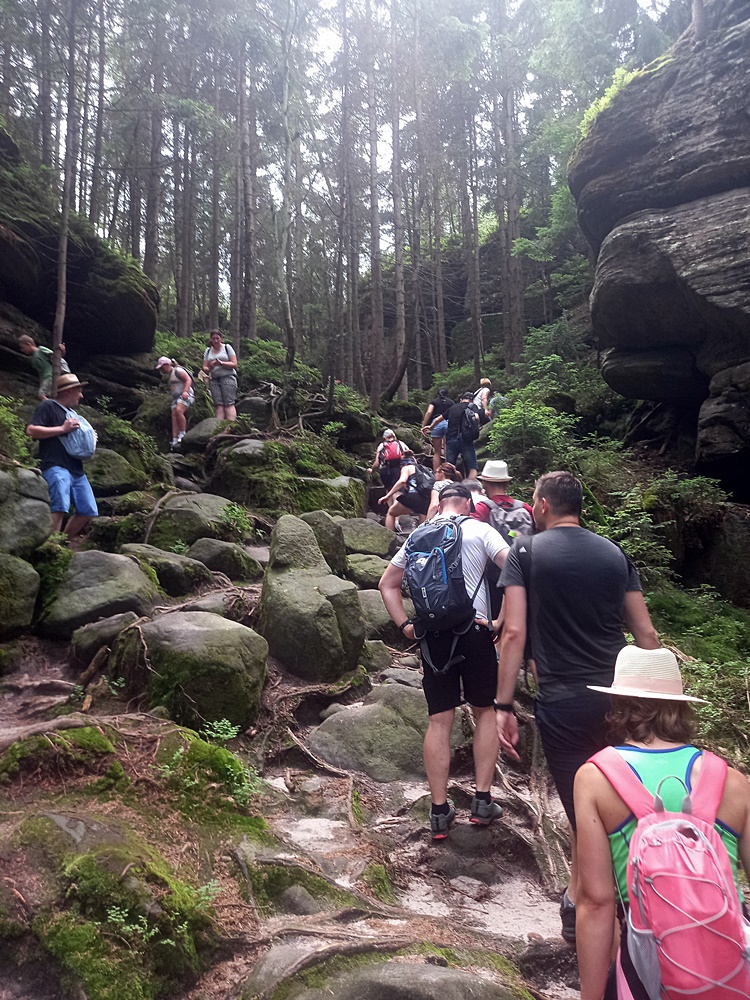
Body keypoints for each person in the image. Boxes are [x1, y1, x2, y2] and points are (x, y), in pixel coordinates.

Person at [494, 470, 660, 944]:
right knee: (624, 803)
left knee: (584, 813)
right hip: (623, 699)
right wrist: (661, 700)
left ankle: (592, 915)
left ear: (543, 505)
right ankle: (595, 902)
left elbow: (513, 632)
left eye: (533, 500)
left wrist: (503, 704)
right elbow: (646, 635)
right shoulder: (614, 553)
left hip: (564, 702)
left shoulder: (526, 551)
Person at [574, 645, 750, 1000]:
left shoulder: (596, 778)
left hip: (647, 967)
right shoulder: (733, 781)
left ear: (618, 704)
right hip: (730, 969)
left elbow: (596, 902)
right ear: (680, 706)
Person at [379, 483, 510, 838]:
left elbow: (387, 584)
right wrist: (502, 620)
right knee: (485, 712)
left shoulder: (418, 535)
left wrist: (405, 626)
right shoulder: (480, 530)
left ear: (440, 505)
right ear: (468, 504)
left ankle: (439, 812)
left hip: (433, 638)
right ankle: (482, 801)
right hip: (475, 631)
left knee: (439, 721)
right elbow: (515, 569)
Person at [25, 372, 98, 540]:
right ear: (68, 391)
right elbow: (31, 431)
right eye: (78, 390)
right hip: (55, 465)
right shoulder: (48, 406)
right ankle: (49, 546)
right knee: (59, 506)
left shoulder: (72, 413)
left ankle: (61, 543)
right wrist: (62, 429)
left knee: (88, 509)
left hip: (76, 470)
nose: (81, 395)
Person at [378, 451, 434, 531]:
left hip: (413, 496)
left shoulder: (407, 468)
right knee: (423, 517)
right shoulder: (424, 469)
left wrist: (388, 495)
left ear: (403, 464)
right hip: (427, 497)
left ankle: (390, 537)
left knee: (391, 513)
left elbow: (402, 481)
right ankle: (423, 536)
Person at [155, 356, 195, 448]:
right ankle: (175, 439)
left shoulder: (178, 371)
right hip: (176, 398)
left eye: (162, 368)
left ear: (167, 365)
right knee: (174, 415)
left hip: (186, 395)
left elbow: (188, 379)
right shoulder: (169, 375)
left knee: (179, 410)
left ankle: (182, 434)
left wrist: (185, 391)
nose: (161, 370)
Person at [202, 329, 238, 420]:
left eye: (217, 338)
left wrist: (221, 363)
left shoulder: (227, 347)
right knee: (219, 405)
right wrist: (211, 367)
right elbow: (205, 367)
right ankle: (218, 425)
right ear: (210, 339)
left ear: (221, 339)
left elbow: (234, 364)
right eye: (213, 338)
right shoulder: (208, 351)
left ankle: (230, 425)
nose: (215, 340)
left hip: (228, 377)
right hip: (214, 380)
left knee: (228, 404)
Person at [445, 392, 481, 479]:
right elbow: (476, 417)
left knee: (449, 467)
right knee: (472, 467)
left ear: (461, 400)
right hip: (466, 440)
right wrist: (476, 426)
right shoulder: (472, 406)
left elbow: (439, 419)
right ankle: (470, 485)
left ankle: (449, 485)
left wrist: (430, 427)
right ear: (472, 400)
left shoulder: (453, 407)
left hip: (451, 439)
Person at [421, 388, 455, 471]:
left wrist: (424, 425)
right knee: (447, 449)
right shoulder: (451, 402)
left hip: (436, 424)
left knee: (437, 452)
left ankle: (436, 472)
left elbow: (429, 412)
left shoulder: (434, 401)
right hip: (448, 423)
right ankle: (448, 472)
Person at [369, 429, 409, 497]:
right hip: (398, 470)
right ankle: (396, 503)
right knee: (397, 491)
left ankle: (389, 503)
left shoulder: (382, 445)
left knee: (388, 491)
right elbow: (411, 456)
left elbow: (377, 463)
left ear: (384, 438)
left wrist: (372, 471)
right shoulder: (401, 444)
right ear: (394, 436)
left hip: (385, 471)